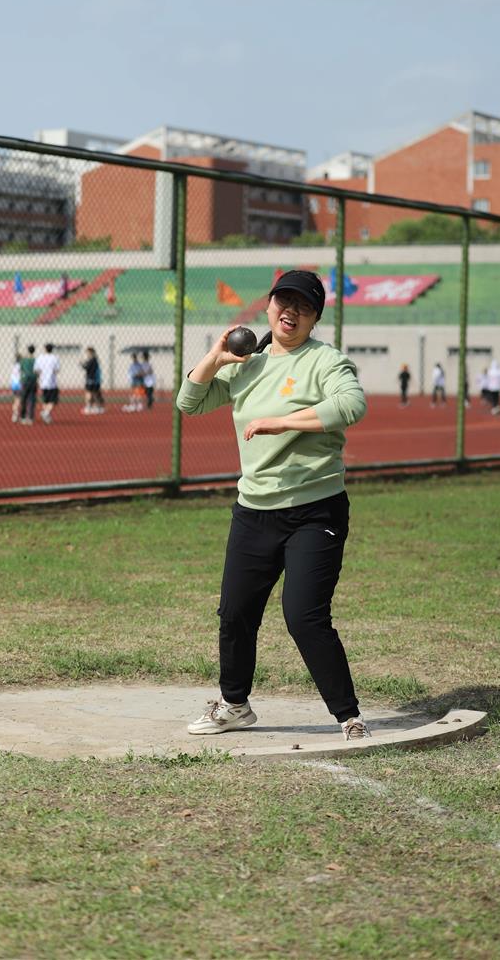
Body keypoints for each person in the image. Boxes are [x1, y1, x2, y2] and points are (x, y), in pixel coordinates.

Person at [177, 269, 371, 742]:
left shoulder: (326, 361)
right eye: (283, 301)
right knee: (235, 612)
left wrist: (283, 423)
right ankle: (234, 705)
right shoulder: (248, 365)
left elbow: (352, 406)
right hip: (254, 510)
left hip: (314, 509)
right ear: (268, 307)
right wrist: (216, 357)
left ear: (315, 316)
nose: (291, 311)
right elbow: (189, 402)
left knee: (303, 614)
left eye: (303, 306)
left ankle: (348, 715)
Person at [34, 343, 60, 424]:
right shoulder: (55, 358)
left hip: (43, 381)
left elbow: (36, 370)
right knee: (53, 400)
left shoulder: (40, 357)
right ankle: (46, 413)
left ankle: (46, 415)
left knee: (45, 400)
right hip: (52, 382)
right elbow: (57, 370)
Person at [81, 347, 103, 414]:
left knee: (89, 393)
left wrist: (82, 364)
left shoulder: (92, 360)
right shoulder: (95, 360)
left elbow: (87, 368)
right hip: (95, 380)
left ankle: (89, 407)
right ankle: (97, 407)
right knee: (95, 393)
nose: (87, 354)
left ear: (91, 353)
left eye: (87, 353)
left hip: (91, 379)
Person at [19, 344, 38, 424]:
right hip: (33, 380)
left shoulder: (24, 360)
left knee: (23, 398)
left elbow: (21, 369)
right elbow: (37, 370)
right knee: (32, 399)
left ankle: (23, 416)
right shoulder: (36, 360)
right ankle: (30, 417)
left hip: (25, 380)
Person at [10, 354, 22, 422]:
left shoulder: (14, 366)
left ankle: (15, 414)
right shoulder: (20, 366)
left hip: (14, 384)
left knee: (16, 399)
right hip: (19, 384)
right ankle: (15, 414)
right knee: (18, 400)